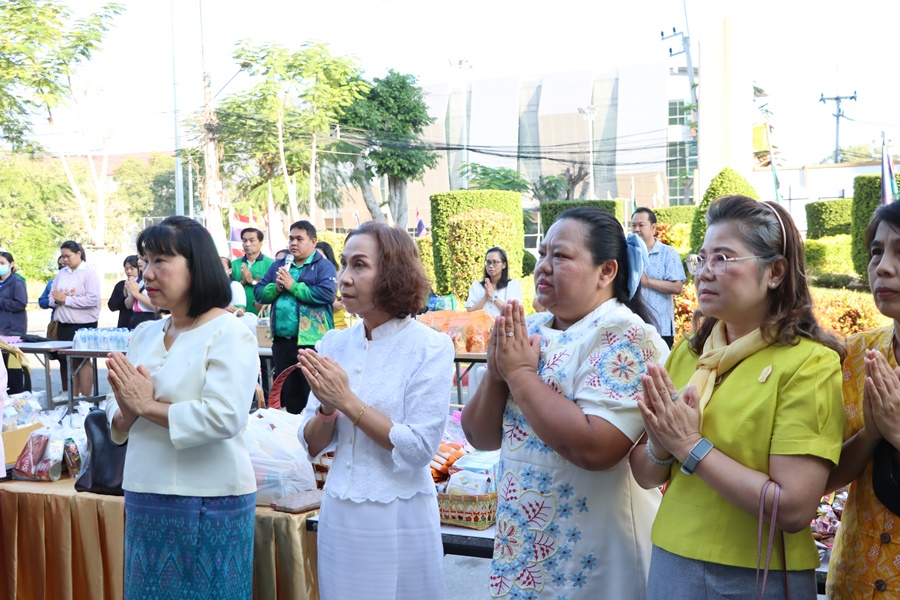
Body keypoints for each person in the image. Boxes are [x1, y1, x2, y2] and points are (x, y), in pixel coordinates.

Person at [629, 196, 845, 600]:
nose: (704, 272)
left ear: (774, 272)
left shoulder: (809, 363)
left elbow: (794, 507)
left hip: (755, 571)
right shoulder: (689, 354)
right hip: (672, 555)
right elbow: (645, 474)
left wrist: (690, 446)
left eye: (723, 258)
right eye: (701, 259)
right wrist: (661, 444)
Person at [462, 207, 669, 599]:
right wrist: (496, 374)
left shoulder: (626, 335)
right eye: (542, 254)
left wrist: (519, 374)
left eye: (560, 256)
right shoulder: (530, 328)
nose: (543, 266)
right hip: (524, 546)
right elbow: (481, 436)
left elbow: (596, 448)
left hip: (593, 552)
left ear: (606, 271)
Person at [298, 221, 453, 600]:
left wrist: (347, 401)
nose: (344, 278)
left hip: (399, 515)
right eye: (343, 264)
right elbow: (311, 444)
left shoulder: (429, 347)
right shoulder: (334, 343)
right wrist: (327, 408)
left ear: (393, 274)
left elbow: (419, 449)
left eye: (359, 265)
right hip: (339, 511)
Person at [105, 215, 258, 599]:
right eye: (145, 261)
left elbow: (224, 416)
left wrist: (145, 405)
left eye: (160, 261)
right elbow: (116, 406)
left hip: (210, 497)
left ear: (197, 266)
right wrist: (127, 411)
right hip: (144, 492)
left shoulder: (229, 332)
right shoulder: (145, 333)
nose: (147, 274)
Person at [825, 200, 900, 598]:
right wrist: (870, 434)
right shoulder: (856, 355)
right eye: (876, 251)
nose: (883, 267)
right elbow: (824, 476)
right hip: (854, 578)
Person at [255, 220, 336, 414]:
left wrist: (293, 286)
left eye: (299, 239)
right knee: (289, 395)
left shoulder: (323, 266)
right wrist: (276, 288)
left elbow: (327, 294)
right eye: (291, 238)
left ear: (313, 242)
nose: (293, 243)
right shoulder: (279, 264)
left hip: (311, 343)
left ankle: (316, 429)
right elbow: (259, 293)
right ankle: (293, 429)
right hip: (282, 342)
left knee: (312, 394)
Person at [49, 241, 101, 399]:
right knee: (69, 361)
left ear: (79, 254)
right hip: (63, 323)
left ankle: (86, 397)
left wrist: (67, 299)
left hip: (83, 325)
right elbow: (51, 297)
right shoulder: (61, 274)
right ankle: (73, 396)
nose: (65, 260)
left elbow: (93, 299)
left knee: (82, 360)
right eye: (63, 256)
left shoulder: (88, 273)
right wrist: (57, 300)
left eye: (68, 256)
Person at [631, 208, 686, 348]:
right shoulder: (628, 253)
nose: (636, 229)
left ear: (653, 227)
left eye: (641, 225)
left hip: (661, 328)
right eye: (633, 225)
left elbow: (677, 287)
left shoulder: (668, 253)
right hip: (633, 328)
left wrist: (647, 282)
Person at [465, 247, 522, 318]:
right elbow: (470, 312)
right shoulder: (477, 285)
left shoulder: (512, 285)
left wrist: (493, 296)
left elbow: (513, 312)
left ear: (504, 265)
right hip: (480, 325)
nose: (491, 266)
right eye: (488, 262)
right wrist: (485, 297)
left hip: (503, 324)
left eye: (495, 262)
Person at [231, 227, 273, 315]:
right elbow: (228, 290)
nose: (247, 244)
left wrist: (252, 281)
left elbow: (272, 290)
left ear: (261, 243)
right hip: (238, 315)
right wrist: (242, 282)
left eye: (252, 240)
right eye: (244, 241)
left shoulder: (270, 264)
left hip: (261, 316)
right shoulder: (234, 264)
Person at [315, 241, 349, 329]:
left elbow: (340, 304)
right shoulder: (308, 276)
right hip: (317, 328)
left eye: (320, 256)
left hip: (338, 326)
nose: (316, 260)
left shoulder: (339, 275)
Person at [0, 252, 28, 336]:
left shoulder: (17, 282)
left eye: (2, 263)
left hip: (12, 329)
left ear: (11, 264)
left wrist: (1, 302)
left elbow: (20, 304)